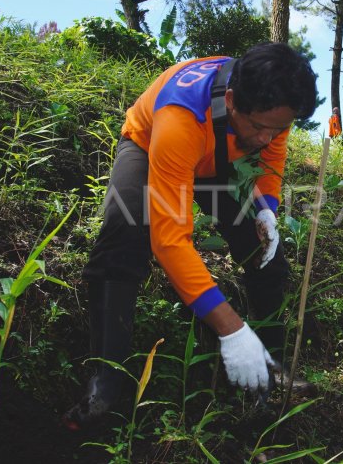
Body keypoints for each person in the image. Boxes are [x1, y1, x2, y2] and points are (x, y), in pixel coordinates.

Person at [64, 43, 318, 429]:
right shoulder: (180, 117)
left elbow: (270, 157)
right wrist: (231, 330)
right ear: (231, 100)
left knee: (264, 249)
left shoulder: (271, 103)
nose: (269, 137)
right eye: (260, 127)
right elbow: (169, 240)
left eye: (279, 128)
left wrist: (267, 206)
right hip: (153, 147)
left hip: (216, 158)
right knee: (125, 229)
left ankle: (270, 363)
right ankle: (107, 381)